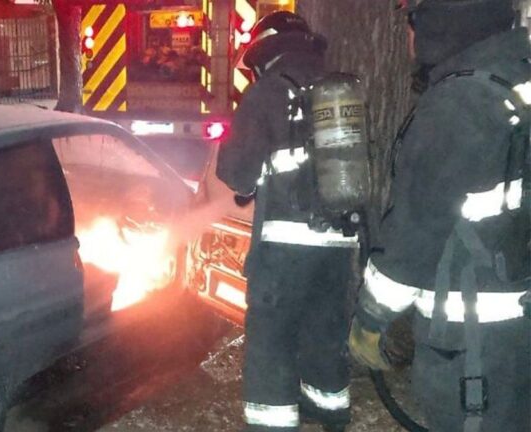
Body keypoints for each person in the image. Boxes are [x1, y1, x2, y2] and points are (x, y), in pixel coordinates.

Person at [349, 1, 531, 431]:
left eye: (415, 20)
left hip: (471, 340)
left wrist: (371, 317)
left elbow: (416, 234)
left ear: (443, 22)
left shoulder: (456, 104)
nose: (410, 36)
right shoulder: (517, 79)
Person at [216, 11, 360, 432]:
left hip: (284, 246)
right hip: (339, 240)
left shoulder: (267, 93)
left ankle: (272, 423)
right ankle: (331, 412)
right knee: (325, 328)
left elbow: (237, 174)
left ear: (264, 51)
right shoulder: (335, 88)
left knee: (271, 337)